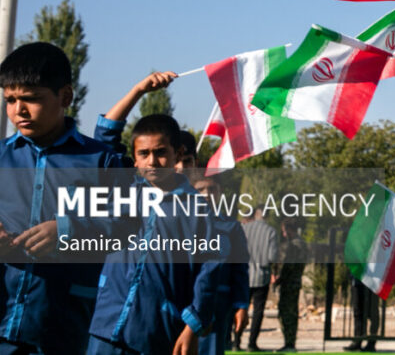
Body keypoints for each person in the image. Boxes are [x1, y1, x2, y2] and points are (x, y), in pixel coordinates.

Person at [0, 42, 125, 354]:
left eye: (31, 99)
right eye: (10, 100)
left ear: (65, 97)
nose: (19, 110)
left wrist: (68, 229)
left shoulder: (102, 161)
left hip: (61, 327)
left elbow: (128, 225)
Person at [82, 113, 222, 354]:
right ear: (134, 159)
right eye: (143, 154)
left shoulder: (198, 211)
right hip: (106, 324)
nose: (152, 162)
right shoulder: (121, 193)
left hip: (156, 328)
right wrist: (139, 91)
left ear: (177, 155)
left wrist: (193, 326)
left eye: (160, 152)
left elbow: (208, 272)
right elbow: (105, 139)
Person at [192, 175, 249, 355]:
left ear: (220, 192)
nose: (207, 194)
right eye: (201, 189)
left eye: (212, 189)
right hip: (183, 298)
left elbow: (240, 268)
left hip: (218, 302)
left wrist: (241, 305)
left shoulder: (231, 226)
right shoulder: (180, 222)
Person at [238, 207, 278, 352]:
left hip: (244, 274)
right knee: (258, 311)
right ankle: (252, 343)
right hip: (261, 276)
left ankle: (236, 341)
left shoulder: (245, 229)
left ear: (255, 214)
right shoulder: (271, 232)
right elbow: (272, 257)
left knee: (241, 308)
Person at [274, 218, 307, 353]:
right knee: (290, 312)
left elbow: (288, 266)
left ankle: (289, 342)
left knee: (286, 313)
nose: (283, 234)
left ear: (289, 230)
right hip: (295, 282)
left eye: (284, 231)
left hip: (289, 283)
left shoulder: (293, 246)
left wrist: (279, 279)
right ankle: (290, 342)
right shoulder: (301, 244)